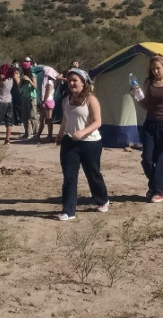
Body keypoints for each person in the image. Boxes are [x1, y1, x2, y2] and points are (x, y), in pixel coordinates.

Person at [56, 68, 109, 221]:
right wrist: (60, 135)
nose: (72, 83)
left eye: (75, 81)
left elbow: (98, 122)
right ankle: (68, 210)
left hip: (90, 143)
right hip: (69, 142)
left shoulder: (91, 99)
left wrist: (83, 132)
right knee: (69, 176)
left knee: (92, 174)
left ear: (83, 83)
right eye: (69, 80)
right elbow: (65, 120)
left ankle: (102, 199)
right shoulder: (66, 100)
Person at [133, 54, 163, 203]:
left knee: (161, 160)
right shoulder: (148, 83)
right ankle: (154, 185)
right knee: (147, 159)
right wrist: (136, 96)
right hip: (150, 124)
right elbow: (146, 105)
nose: (155, 71)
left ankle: (157, 191)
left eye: (158, 68)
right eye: (153, 69)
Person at [17, 65, 37, 138]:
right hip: (24, 97)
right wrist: (20, 79)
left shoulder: (33, 76)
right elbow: (19, 86)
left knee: (32, 116)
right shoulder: (23, 76)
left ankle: (35, 133)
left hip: (31, 98)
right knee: (25, 117)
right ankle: (27, 133)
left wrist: (29, 80)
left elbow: (35, 86)